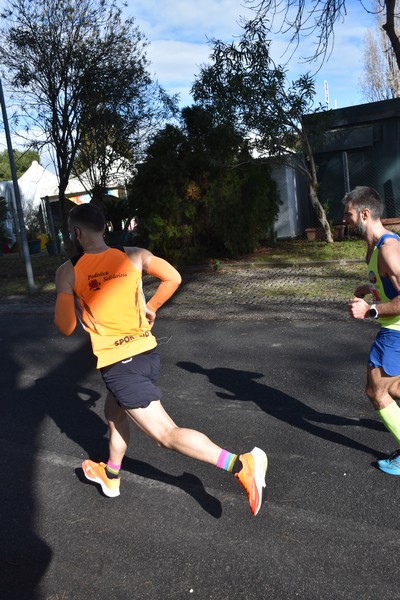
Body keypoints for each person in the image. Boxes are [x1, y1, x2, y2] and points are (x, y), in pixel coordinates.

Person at [54, 203, 268, 515]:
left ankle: (239, 463)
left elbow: (66, 326)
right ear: (103, 227)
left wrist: (65, 293)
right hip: (146, 354)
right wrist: (151, 306)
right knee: (114, 413)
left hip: (119, 364)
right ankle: (111, 476)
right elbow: (173, 277)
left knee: (164, 435)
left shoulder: (67, 271)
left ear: (76, 233)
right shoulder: (134, 254)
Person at [344, 186, 400, 475]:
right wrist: (370, 288)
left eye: (349, 214)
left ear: (365, 213)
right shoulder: (374, 247)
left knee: (376, 392)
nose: (345, 220)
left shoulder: (388, 248)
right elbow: (389, 285)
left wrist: (371, 310)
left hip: (396, 332)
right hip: (394, 330)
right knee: (395, 388)